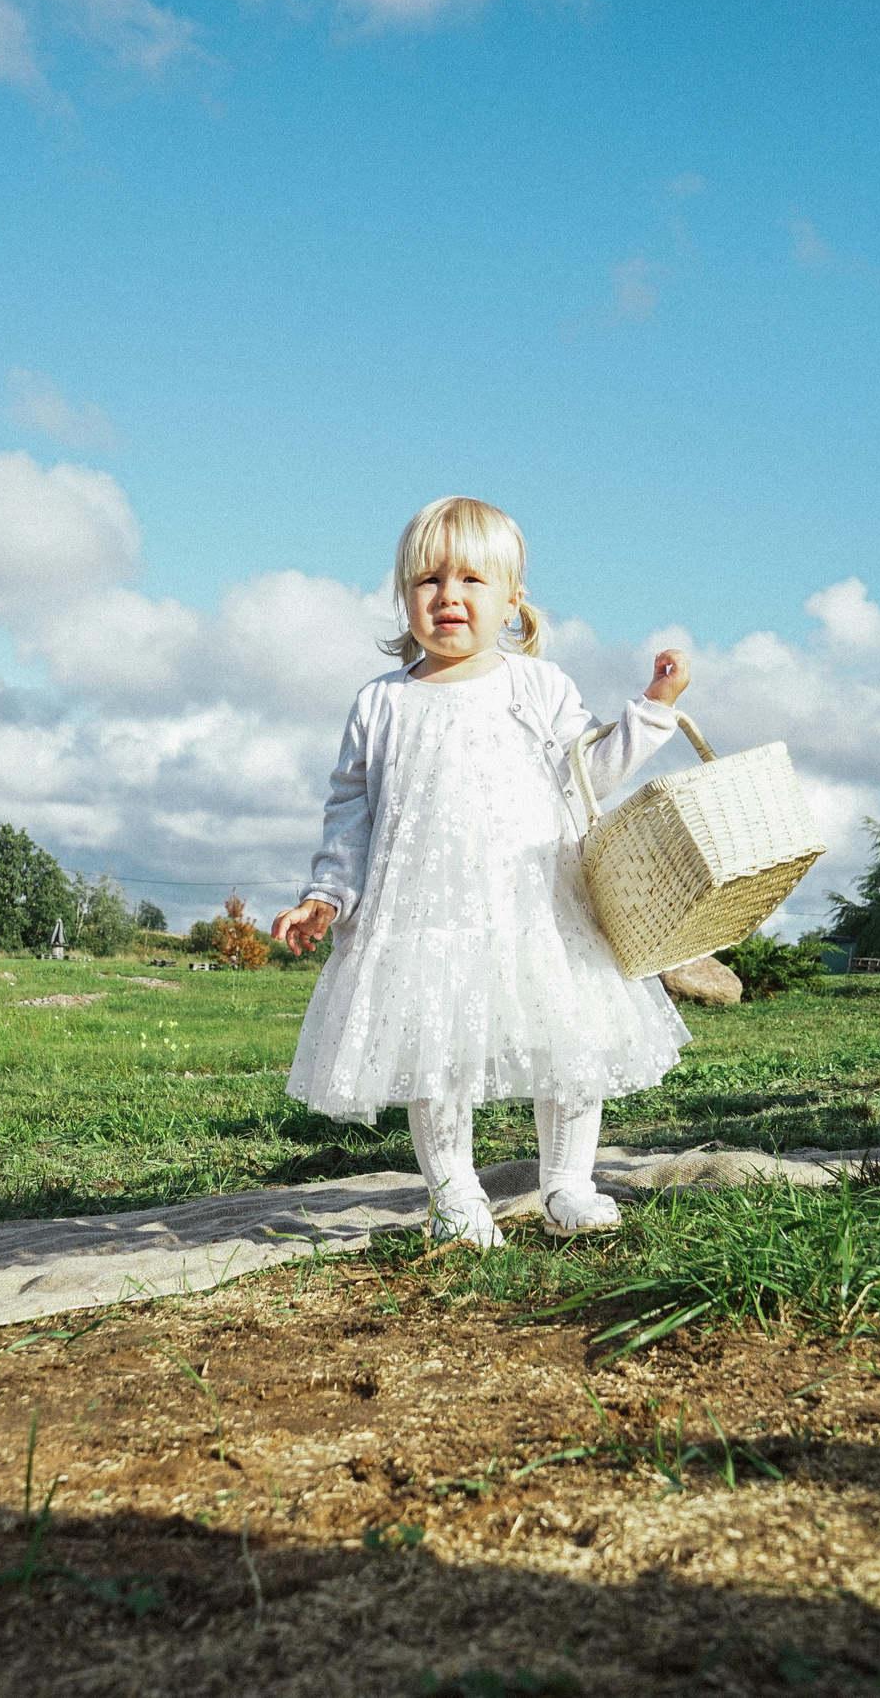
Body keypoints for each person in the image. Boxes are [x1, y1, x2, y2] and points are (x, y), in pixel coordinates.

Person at [269, 496, 693, 1248]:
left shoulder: (537, 686)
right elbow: (350, 812)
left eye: (471, 579)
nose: (449, 596)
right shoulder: (383, 703)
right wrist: (325, 894)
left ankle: (567, 1180)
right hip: (423, 913)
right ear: (405, 596)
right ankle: (456, 1193)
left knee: (570, 1040)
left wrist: (652, 711)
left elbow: (585, 774)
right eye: (429, 580)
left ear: (512, 600)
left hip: (536, 902)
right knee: (436, 1050)